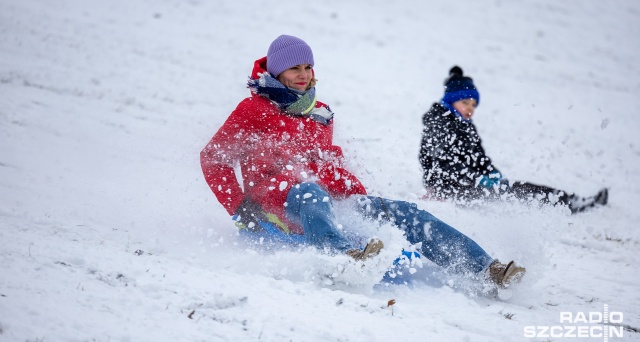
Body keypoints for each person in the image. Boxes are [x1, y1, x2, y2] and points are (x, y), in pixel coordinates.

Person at [200, 35, 524, 288]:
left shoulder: (320, 111)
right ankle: (343, 259)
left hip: (323, 199)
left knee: (404, 212)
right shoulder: (253, 110)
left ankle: (486, 269)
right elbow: (214, 159)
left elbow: (324, 162)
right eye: (294, 68)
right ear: (276, 71)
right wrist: (240, 208)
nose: (303, 74)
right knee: (310, 192)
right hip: (275, 204)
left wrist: (352, 191)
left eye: (307, 67)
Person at [419, 66, 609, 213]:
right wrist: (478, 179)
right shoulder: (439, 123)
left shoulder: (466, 126)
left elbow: (479, 158)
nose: (470, 108)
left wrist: (493, 174)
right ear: (451, 101)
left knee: (512, 190)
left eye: (474, 104)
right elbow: (441, 162)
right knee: (515, 194)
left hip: (467, 183)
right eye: (465, 103)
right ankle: (564, 204)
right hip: (447, 188)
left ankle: (566, 201)